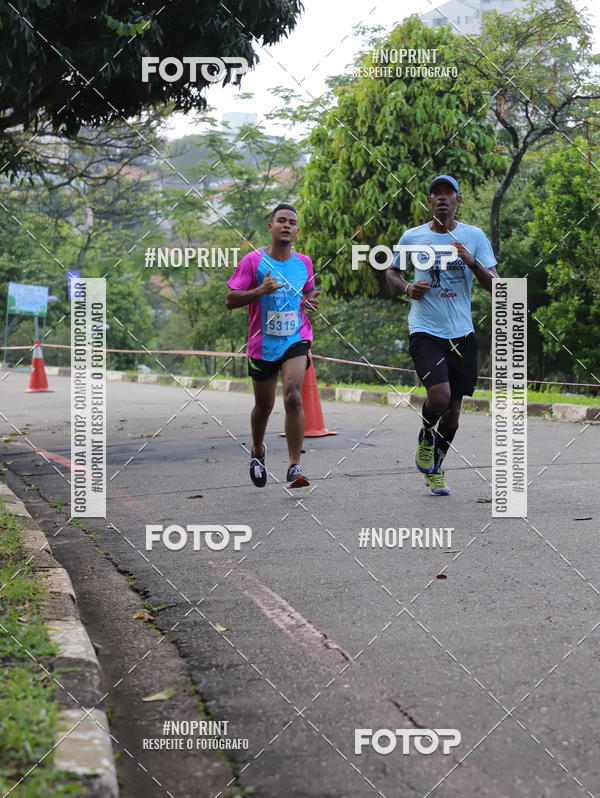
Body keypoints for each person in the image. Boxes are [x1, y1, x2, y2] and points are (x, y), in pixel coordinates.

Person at [386, 175, 499, 495]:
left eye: (448, 193)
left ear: (457, 201)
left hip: (461, 333)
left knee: (453, 413)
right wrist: (408, 287)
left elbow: (496, 285)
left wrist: (472, 261)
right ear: (429, 201)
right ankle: (425, 434)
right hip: (425, 329)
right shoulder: (413, 237)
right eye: (436, 194)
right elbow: (391, 271)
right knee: (439, 395)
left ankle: (435, 464)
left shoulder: (473, 236)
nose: (442, 198)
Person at [225, 203, 320, 488]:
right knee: (263, 406)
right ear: (271, 227)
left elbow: (310, 294)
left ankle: (294, 465)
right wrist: (260, 291)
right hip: (262, 344)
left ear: (297, 230)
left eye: (292, 222)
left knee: (292, 394)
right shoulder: (253, 261)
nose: (287, 225)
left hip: (296, 337)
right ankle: (257, 451)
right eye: (281, 220)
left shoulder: (304, 263)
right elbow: (231, 299)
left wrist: (310, 302)